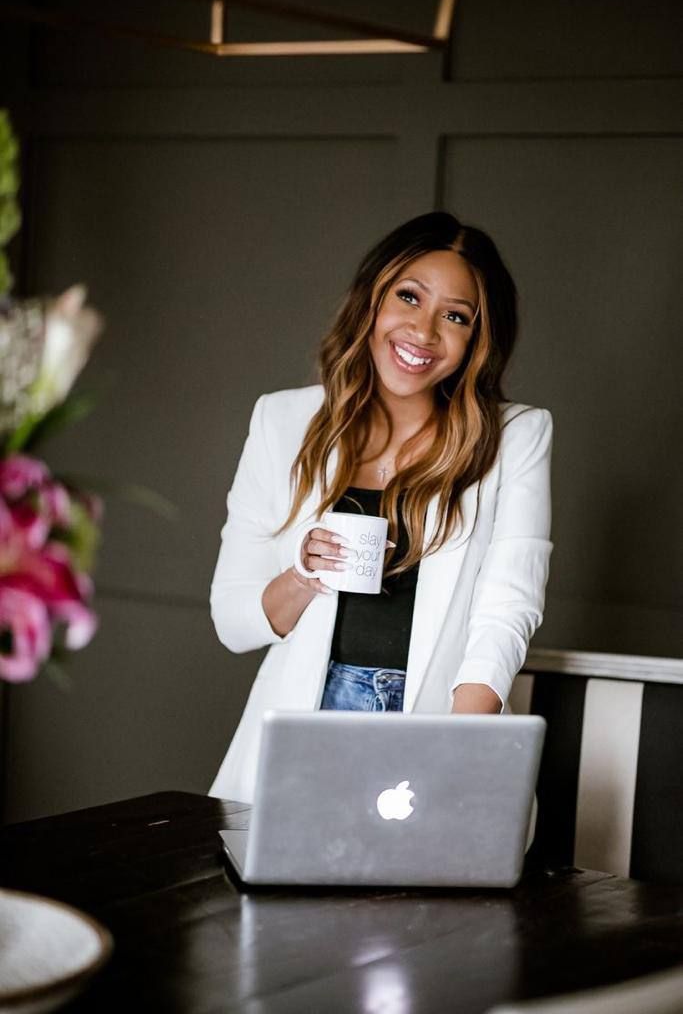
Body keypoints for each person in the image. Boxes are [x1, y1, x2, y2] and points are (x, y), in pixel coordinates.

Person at [209, 211, 553, 807]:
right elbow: (234, 622)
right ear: (373, 298)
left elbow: (507, 610)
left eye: (455, 316)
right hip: (303, 725)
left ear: (477, 339)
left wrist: (458, 750)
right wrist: (304, 573)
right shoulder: (282, 420)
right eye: (408, 297)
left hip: (435, 718)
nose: (423, 331)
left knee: (414, 900)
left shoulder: (515, 435)